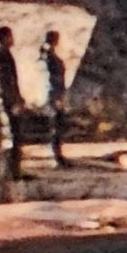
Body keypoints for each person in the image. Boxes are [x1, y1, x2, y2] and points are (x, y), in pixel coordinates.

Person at [0, 25, 23, 179]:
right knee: (12, 134)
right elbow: (6, 82)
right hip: (8, 100)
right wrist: (14, 100)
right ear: (5, 38)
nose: (13, 39)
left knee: (15, 134)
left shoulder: (3, 55)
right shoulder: (2, 57)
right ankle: (12, 171)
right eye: (10, 36)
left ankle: (15, 169)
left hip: (8, 98)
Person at [40, 29, 70, 168]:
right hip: (55, 93)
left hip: (55, 92)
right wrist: (57, 96)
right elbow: (54, 78)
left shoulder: (48, 55)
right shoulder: (50, 57)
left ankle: (58, 154)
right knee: (57, 126)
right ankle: (57, 156)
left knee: (58, 125)